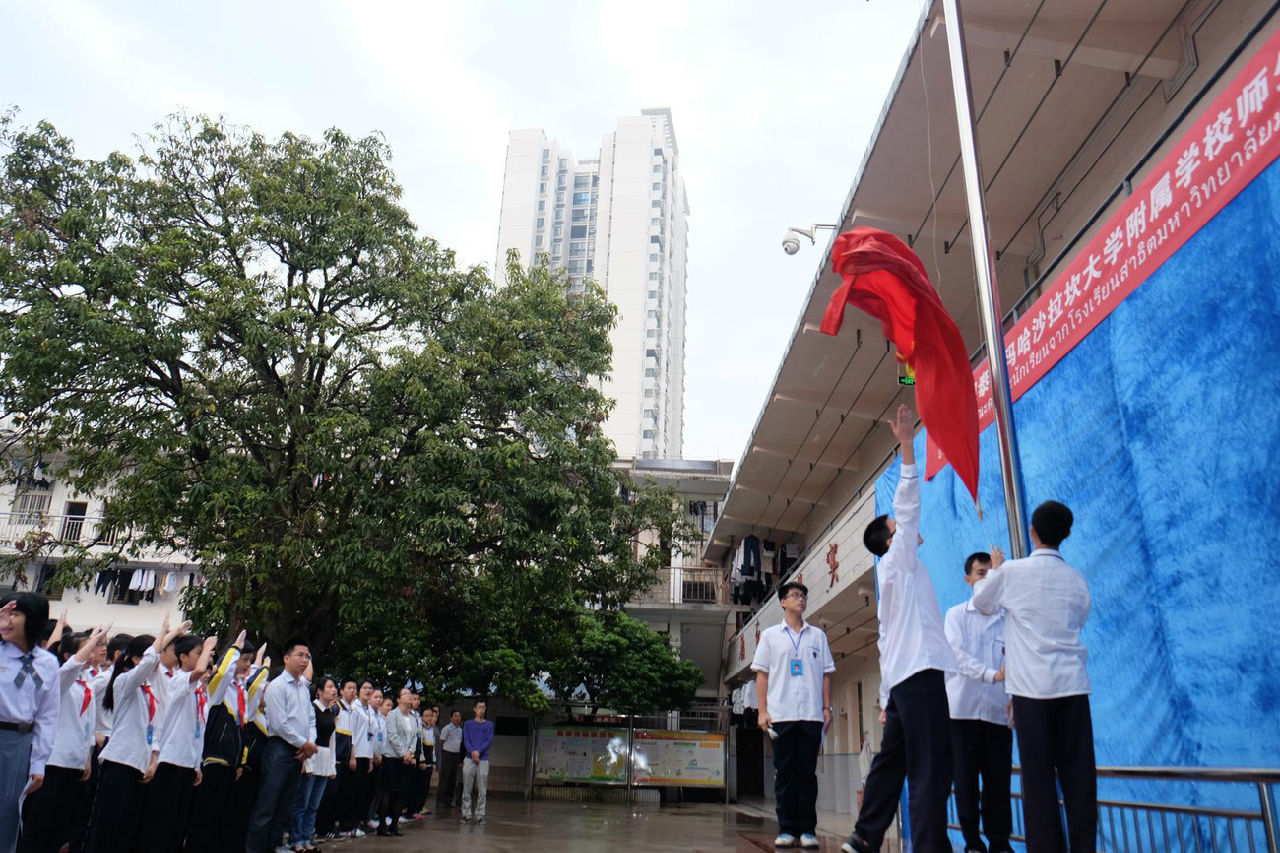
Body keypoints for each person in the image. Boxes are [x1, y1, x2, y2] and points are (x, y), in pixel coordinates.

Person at [843, 405, 956, 853]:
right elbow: (908, 504)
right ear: (891, 539)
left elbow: (887, 642)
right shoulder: (899, 561)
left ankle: (864, 837)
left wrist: (887, 698)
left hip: (904, 684)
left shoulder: (892, 576)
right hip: (922, 677)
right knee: (931, 769)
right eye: (897, 527)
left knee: (892, 764)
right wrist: (908, 445)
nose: (906, 527)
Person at [973, 501, 1095, 853]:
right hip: (1073, 687)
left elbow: (982, 603)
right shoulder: (1077, 580)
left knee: (1039, 784)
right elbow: (1079, 618)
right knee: (1080, 782)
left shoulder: (1013, 571)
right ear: (1066, 534)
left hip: (1032, 692)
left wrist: (996, 570)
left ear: (1032, 532)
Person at [86, 616, 189, 853]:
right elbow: (148, 662)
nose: (158, 661)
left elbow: (154, 728)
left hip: (141, 765)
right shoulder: (125, 682)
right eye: (153, 655)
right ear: (135, 659)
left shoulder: (149, 689)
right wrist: (167, 634)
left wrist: (153, 759)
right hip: (120, 762)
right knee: (108, 827)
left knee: (128, 828)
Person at [752, 581, 836, 849]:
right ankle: (787, 829)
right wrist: (762, 711)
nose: (801, 599)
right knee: (786, 773)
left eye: (804, 596)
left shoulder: (817, 636)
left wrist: (826, 708)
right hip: (781, 715)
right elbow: (762, 675)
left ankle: (808, 830)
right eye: (796, 595)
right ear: (783, 602)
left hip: (811, 715)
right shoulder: (770, 636)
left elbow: (826, 674)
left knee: (807, 774)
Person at [18, 623, 110, 853]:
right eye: (89, 648)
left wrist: (87, 757)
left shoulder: (86, 683)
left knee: (60, 822)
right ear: (68, 655)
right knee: (40, 820)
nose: (94, 652)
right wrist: (92, 639)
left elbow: (87, 724)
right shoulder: (60, 680)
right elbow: (72, 666)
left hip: (74, 761)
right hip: (54, 760)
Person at [944, 552, 1013, 853]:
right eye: (981, 573)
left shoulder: (1007, 619)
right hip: (963, 712)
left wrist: (1013, 696)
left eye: (991, 573)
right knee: (966, 782)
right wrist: (991, 674)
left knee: (999, 782)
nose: (987, 579)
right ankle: (973, 843)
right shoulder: (956, 615)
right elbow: (956, 656)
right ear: (968, 579)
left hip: (998, 713)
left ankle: (1000, 843)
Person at [138, 633, 220, 853]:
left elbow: (198, 731)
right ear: (183, 657)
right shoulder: (179, 680)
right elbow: (199, 671)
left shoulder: (200, 691)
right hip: (170, 760)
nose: (204, 658)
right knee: (162, 820)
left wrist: (197, 763)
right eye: (198, 653)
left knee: (178, 822)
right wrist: (209, 645)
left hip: (187, 762)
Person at [245, 638, 317, 853]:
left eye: (307, 656)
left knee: (285, 805)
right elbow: (279, 724)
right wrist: (305, 743)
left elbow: (310, 719)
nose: (304, 660)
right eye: (300, 655)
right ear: (286, 658)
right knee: (267, 805)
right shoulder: (277, 686)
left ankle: (274, 846)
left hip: (299, 751)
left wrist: (310, 743)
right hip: (279, 749)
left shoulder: (303, 689)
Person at [0, 593, 59, 853]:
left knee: (6, 815)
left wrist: (38, 763)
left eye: (15, 614)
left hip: (18, 744)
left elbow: (47, 715)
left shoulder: (47, 663)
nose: (8, 620)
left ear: (33, 619)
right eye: (5, 613)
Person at [187, 635, 258, 853]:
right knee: (205, 816)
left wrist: (240, 762)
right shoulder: (219, 687)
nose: (247, 665)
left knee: (222, 816)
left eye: (249, 660)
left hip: (231, 762)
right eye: (244, 660)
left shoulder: (240, 689)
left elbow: (243, 726)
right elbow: (224, 672)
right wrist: (234, 648)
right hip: (214, 759)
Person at [290, 675, 337, 853]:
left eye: (334, 687)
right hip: (311, 758)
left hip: (324, 761)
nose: (333, 690)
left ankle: (307, 837)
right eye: (330, 687)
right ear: (319, 691)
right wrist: (307, 763)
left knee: (314, 805)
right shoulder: (312, 709)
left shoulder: (330, 712)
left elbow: (331, 741)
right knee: (302, 803)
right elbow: (308, 735)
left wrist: (332, 766)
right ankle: (296, 839)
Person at [376, 688, 417, 837]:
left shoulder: (413, 718)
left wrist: (410, 752)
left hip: (406, 760)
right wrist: (403, 753)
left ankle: (394, 824)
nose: (409, 696)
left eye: (410, 694)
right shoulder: (393, 715)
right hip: (392, 759)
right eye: (405, 694)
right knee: (388, 792)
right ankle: (382, 825)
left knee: (402, 793)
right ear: (399, 699)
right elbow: (392, 736)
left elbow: (415, 737)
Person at [339, 681, 373, 837]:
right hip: (356, 754)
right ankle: (348, 825)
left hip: (365, 754)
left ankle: (358, 822)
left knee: (361, 792)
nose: (368, 690)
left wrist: (370, 757)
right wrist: (352, 756)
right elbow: (351, 734)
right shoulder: (354, 708)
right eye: (364, 688)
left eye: (370, 688)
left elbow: (370, 735)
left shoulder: (368, 709)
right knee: (351, 792)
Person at [459, 699, 494, 825]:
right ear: (474, 709)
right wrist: (473, 752)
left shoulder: (489, 725)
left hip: (483, 759)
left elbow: (489, 740)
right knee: (467, 788)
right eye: (479, 707)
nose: (481, 710)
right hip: (469, 759)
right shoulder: (468, 724)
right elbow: (466, 740)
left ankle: (480, 815)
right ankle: (466, 814)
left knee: (482, 789)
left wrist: (478, 751)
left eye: (483, 707)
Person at [406, 706, 436, 819]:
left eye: (431, 715)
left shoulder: (431, 729)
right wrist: (422, 760)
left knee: (425, 787)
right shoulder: (420, 729)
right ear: (422, 717)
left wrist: (434, 762)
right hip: (422, 761)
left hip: (429, 761)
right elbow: (420, 747)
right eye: (426, 716)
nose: (429, 718)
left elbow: (433, 747)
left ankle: (419, 807)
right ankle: (413, 809)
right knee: (417, 786)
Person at [435, 709, 463, 812]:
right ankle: (441, 801)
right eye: (455, 716)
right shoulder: (447, 728)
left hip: (456, 755)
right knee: (445, 778)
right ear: (451, 718)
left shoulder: (460, 730)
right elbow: (441, 742)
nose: (457, 718)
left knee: (453, 779)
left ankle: (449, 800)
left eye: (459, 716)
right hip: (447, 754)